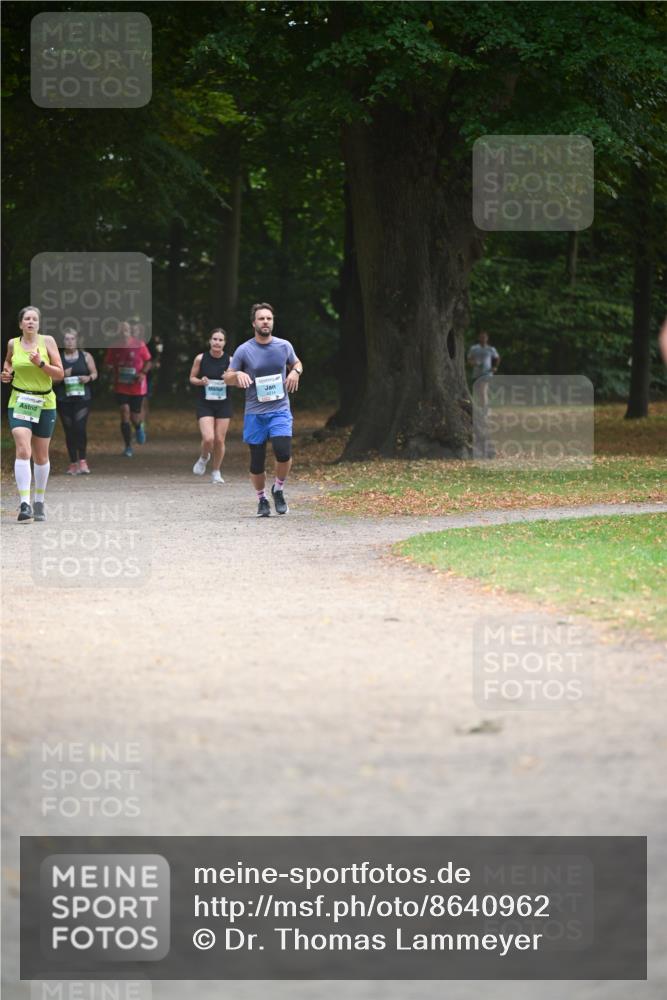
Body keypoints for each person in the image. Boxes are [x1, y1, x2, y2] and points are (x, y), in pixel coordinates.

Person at [224, 302, 303, 516]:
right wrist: (237, 375)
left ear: (273, 321)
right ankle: (261, 500)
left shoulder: (284, 346)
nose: (266, 321)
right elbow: (227, 376)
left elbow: (297, 363)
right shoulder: (244, 350)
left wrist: (295, 371)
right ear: (254, 323)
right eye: (261, 318)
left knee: (283, 451)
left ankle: (278, 489)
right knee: (257, 461)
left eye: (269, 318)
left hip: (279, 409)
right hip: (255, 413)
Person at [1, 305, 64, 522]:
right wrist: (6, 372)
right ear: (20, 324)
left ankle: (39, 500)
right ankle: (25, 504)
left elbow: (59, 374)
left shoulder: (47, 342)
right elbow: (9, 361)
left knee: (41, 456)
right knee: (23, 449)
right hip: (19, 400)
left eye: (34, 319)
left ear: (38, 324)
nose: (30, 322)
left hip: (44, 402)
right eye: (26, 319)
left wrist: (41, 364)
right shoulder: (13, 344)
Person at [189, 327, 233, 484]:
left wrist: (228, 378)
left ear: (224, 343)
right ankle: (204, 457)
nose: (217, 342)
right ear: (210, 341)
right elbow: (192, 378)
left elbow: (236, 381)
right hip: (205, 403)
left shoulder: (230, 360)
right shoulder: (201, 358)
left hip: (223, 403)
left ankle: (216, 471)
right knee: (208, 438)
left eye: (220, 340)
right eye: (215, 339)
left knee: (220, 440)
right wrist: (201, 381)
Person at [104, 320, 152, 457]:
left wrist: (142, 373)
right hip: (121, 386)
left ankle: (138, 426)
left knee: (134, 416)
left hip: (136, 387)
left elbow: (149, 361)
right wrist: (108, 368)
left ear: (130, 330)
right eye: (120, 328)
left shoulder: (139, 344)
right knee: (124, 411)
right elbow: (107, 363)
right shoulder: (114, 346)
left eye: (125, 328)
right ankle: (128, 446)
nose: (123, 330)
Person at [55, 328, 97, 475]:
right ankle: (73, 463)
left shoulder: (86, 356)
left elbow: (94, 373)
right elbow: (51, 380)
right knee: (69, 431)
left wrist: (88, 378)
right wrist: (61, 375)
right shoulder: (57, 358)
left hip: (82, 398)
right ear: (63, 342)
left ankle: (83, 461)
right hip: (64, 399)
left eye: (72, 339)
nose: (70, 342)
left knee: (79, 428)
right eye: (67, 339)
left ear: (77, 340)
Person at [467, 330, 500, 407]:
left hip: (487, 373)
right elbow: (469, 359)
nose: (483, 338)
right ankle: (482, 408)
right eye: (481, 337)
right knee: (478, 393)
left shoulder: (491, 349)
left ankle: (484, 411)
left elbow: (497, 358)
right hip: (476, 373)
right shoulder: (474, 348)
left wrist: (495, 367)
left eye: (484, 337)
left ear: (487, 338)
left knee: (483, 390)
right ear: (479, 338)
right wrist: (472, 363)